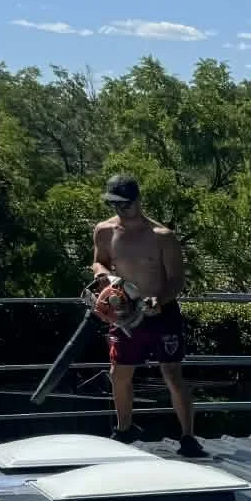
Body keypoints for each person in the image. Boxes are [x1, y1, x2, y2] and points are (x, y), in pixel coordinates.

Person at [90, 175, 206, 458]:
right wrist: (103, 275)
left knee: (171, 373)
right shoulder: (104, 231)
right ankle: (125, 428)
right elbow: (98, 260)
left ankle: (188, 436)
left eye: (126, 205)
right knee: (119, 373)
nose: (121, 210)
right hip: (124, 311)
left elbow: (177, 279)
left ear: (138, 201)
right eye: (115, 205)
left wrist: (160, 300)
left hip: (160, 313)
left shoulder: (162, 236)